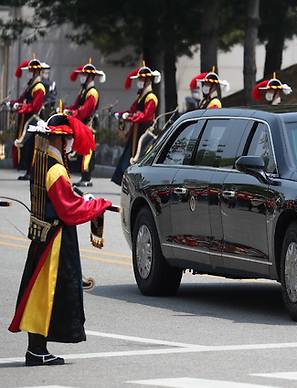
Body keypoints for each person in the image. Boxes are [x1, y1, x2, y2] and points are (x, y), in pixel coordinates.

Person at [8, 111, 112, 366]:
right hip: (54, 240)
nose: (69, 144)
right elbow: (69, 209)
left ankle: (37, 349)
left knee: (41, 294)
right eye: (67, 140)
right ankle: (36, 350)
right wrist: (97, 204)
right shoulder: (54, 169)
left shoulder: (43, 162)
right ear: (58, 140)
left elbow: (66, 199)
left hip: (47, 235)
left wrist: (83, 200)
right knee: (44, 295)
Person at [111, 63, 160, 186]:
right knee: (128, 159)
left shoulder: (151, 97)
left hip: (144, 133)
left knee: (138, 159)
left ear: (147, 80)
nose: (139, 82)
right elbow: (132, 110)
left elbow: (146, 116)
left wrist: (130, 117)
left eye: (141, 80)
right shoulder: (140, 97)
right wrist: (122, 114)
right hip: (136, 132)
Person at [66, 59, 106, 187]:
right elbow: (77, 105)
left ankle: (87, 178)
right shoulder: (83, 90)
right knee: (82, 150)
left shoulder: (92, 92)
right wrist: (69, 110)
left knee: (87, 152)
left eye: (84, 75)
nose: (81, 77)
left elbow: (86, 110)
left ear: (90, 76)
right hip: (83, 124)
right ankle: (84, 177)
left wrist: (74, 113)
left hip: (89, 124)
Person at [12, 58, 49, 180]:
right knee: (27, 146)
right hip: (27, 118)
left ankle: (32, 171)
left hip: (34, 119)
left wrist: (22, 106)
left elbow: (35, 106)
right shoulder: (31, 85)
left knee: (32, 145)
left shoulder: (39, 87)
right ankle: (28, 170)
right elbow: (22, 98)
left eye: (34, 71)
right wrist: (13, 103)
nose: (32, 73)